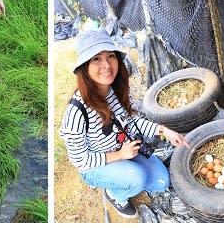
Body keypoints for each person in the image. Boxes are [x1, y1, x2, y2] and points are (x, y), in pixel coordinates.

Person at [59, 28, 190, 219]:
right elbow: (80, 160)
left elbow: (133, 122)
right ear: (84, 67)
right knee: (136, 178)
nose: (106, 64)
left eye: (110, 56)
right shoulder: (77, 112)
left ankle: (126, 176)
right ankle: (115, 194)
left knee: (161, 182)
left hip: (126, 150)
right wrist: (120, 155)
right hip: (97, 164)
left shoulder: (114, 91)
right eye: (96, 58)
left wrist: (164, 130)